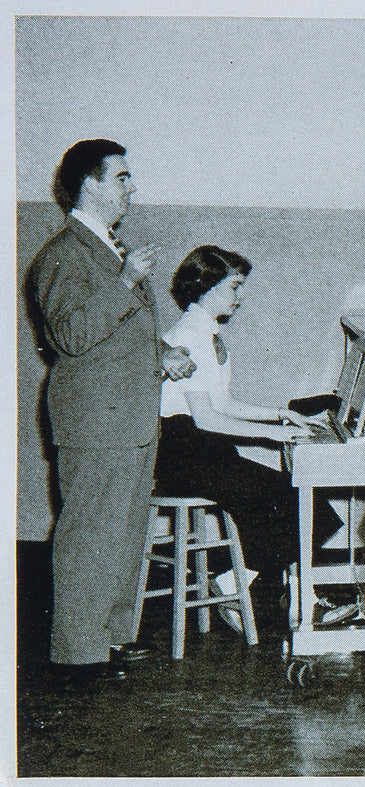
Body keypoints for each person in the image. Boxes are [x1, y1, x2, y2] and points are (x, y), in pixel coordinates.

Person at [29, 139, 197, 682]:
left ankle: (112, 635)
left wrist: (162, 354)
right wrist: (125, 283)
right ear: (90, 184)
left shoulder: (108, 246)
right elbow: (71, 335)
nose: (131, 188)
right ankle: (77, 652)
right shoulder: (62, 255)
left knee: (124, 533)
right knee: (89, 534)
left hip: (129, 415)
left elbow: (118, 336)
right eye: (121, 177)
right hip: (95, 421)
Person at [152, 245, 330, 633]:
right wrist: (274, 434)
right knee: (302, 502)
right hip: (182, 451)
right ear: (206, 286)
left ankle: (250, 585)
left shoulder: (204, 331)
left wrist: (282, 414)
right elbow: (207, 417)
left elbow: (224, 403)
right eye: (234, 287)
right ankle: (251, 587)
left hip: (201, 447)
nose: (240, 296)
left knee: (298, 500)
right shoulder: (188, 335)